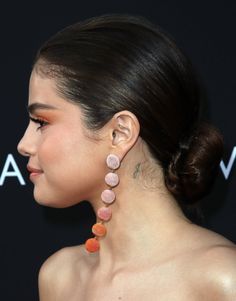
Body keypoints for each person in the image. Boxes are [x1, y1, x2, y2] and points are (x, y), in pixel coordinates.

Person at [17, 13, 236, 300]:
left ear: (119, 134)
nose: (23, 144)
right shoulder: (59, 278)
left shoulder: (222, 278)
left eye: (42, 122)